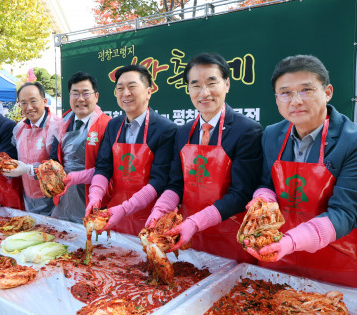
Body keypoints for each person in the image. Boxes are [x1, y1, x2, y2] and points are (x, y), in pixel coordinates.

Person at [245, 55, 357, 287]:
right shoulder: (272, 134)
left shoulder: (351, 141)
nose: (295, 101)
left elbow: (345, 212)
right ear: (276, 99)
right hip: (276, 257)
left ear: (328, 92)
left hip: (335, 261)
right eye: (285, 93)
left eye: (306, 90)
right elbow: (267, 181)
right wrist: (263, 198)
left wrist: (290, 242)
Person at [144, 54, 263, 262]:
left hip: (230, 238)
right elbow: (176, 184)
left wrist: (196, 222)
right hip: (188, 237)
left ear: (227, 84)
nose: (204, 92)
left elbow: (241, 193)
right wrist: (160, 210)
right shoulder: (182, 133)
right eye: (196, 85)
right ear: (188, 89)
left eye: (211, 83)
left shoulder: (247, 131)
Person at [86, 65, 177, 236]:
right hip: (114, 216)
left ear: (148, 92)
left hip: (150, 218)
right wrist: (96, 196)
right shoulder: (113, 125)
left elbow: (160, 180)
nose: (125, 93)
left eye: (132, 87)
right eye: (120, 88)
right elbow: (103, 167)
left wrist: (125, 208)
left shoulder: (166, 129)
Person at [49, 72, 111, 222]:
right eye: (75, 94)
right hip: (65, 199)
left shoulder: (108, 125)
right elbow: (54, 159)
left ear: (96, 96)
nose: (80, 99)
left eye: (86, 93)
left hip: (96, 200)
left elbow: (109, 167)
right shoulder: (61, 123)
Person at [3, 81, 60, 214]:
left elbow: (58, 165)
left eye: (33, 101)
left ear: (44, 101)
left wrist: (29, 169)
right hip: (28, 195)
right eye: (23, 103)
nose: (29, 107)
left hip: (53, 198)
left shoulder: (57, 127)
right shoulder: (19, 128)